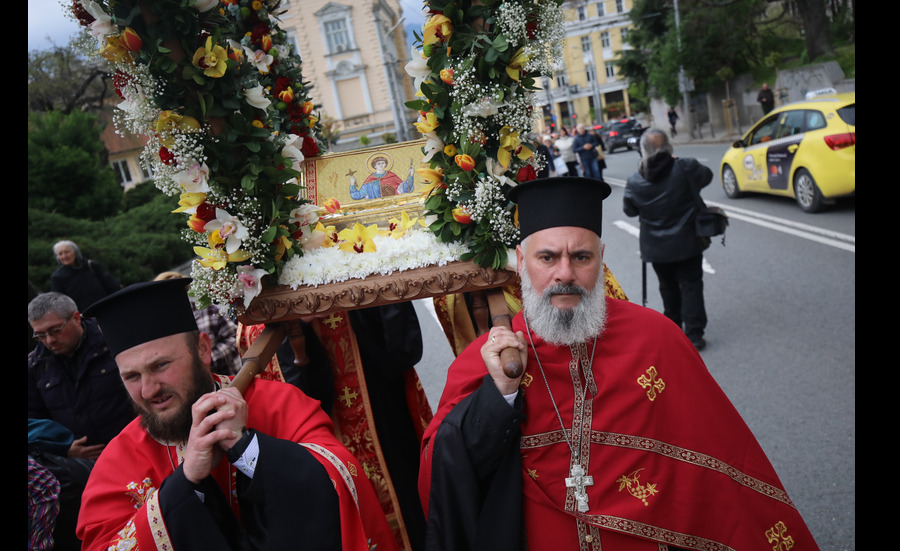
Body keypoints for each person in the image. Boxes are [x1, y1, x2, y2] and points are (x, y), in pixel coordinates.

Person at [418, 177, 819, 550]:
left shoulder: (656, 338)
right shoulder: (491, 357)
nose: (565, 274)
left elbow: (722, 462)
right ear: (521, 261)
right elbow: (443, 469)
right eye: (547, 257)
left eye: (580, 256)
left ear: (601, 258)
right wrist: (499, 395)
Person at [77, 278, 397, 551]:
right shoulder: (117, 461)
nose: (148, 390)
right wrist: (187, 482)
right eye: (131, 377)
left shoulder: (275, 403)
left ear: (203, 349)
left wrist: (247, 450)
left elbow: (340, 476)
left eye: (161, 365)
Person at [237, 302, 433, 551]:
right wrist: (297, 319)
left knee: (408, 502)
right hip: (319, 421)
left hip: (381, 402)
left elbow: (400, 348)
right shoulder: (251, 289)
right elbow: (256, 338)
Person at [28, 292, 135, 549]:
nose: (49, 340)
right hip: (80, 473)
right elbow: (33, 419)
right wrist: (63, 446)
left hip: (131, 455)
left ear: (76, 318)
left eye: (55, 330)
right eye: (40, 335)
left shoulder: (114, 342)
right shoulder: (34, 365)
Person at [623, 128, 710, 350]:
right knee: (691, 285)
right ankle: (695, 334)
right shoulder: (685, 167)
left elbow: (630, 211)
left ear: (643, 150)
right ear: (669, 146)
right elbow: (707, 176)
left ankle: (673, 329)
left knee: (667, 286)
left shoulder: (636, 179)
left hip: (656, 246)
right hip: (688, 241)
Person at [155, 271, 242, 376]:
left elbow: (234, 338)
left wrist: (208, 360)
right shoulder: (161, 326)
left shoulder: (208, 311)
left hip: (230, 377)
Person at [50, 240, 121, 311]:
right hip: (84, 317)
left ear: (75, 252)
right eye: (60, 254)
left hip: (106, 309)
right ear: (58, 257)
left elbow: (112, 287)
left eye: (67, 252)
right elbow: (60, 304)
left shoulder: (91, 266)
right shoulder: (57, 277)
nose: (64, 256)